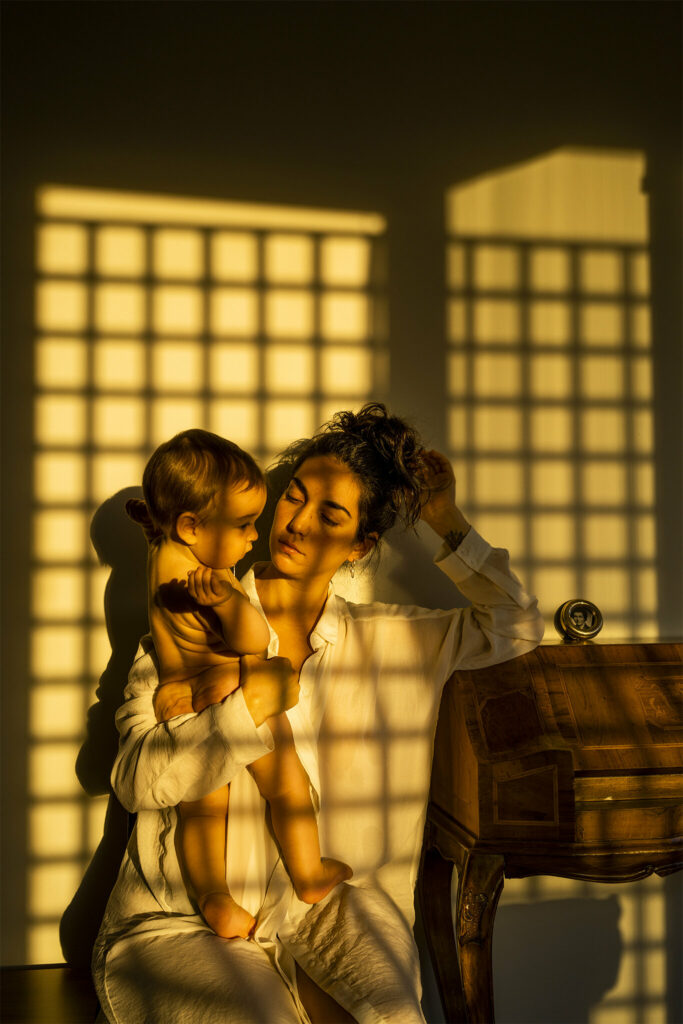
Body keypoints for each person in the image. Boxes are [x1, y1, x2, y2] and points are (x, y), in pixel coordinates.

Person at [93, 403, 544, 1024]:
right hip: (179, 923)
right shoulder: (190, 621)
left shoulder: (401, 641)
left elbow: (518, 623)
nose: (298, 523)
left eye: (329, 514)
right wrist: (248, 705)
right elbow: (136, 782)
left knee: (393, 1017)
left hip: (331, 906)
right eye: (294, 499)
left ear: (362, 543)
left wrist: (444, 517)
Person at [126, 429, 352, 939]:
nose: (255, 537)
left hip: (182, 697)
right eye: (245, 524)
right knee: (286, 783)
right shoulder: (213, 574)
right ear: (191, 526)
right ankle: (309, 873)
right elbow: (253, 639)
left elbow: (169, 536)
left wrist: (153, 520)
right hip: (233, 687)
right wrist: (230, 602)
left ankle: (214, 898)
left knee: (202, 807)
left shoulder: (165, 552)